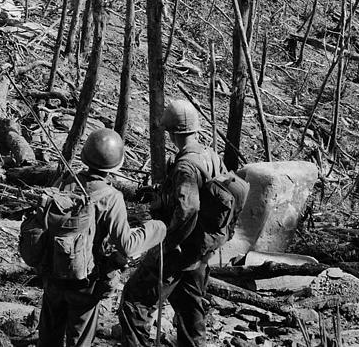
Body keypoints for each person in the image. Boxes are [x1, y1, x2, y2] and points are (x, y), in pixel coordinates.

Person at [37, 128, 166, 347]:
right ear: (116, 165)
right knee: (80, 340)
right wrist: (157, 227)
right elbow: (127, 245)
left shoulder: (64, 181)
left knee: (49, 337)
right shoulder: (111, 197)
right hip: (85, 281)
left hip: (53, 273)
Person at [119, 99, 227, 347]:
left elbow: (189, 208)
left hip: (179, 250)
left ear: (172, 132)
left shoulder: (185, 166)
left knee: (134, 303)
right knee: (190, 311)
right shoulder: (210, 155)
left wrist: (166, 244)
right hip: (199, 250)